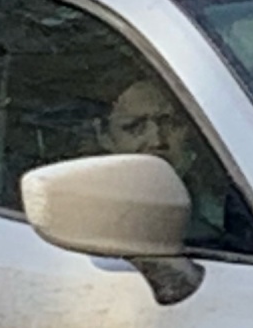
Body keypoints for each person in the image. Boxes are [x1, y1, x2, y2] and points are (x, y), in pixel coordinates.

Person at [98, 78, 228, 237]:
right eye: (134, 126)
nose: (157, 141)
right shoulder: (86, 209)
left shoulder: (236, 200)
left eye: (171, 123)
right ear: (104, 135)